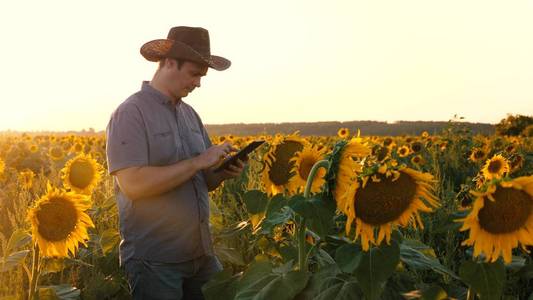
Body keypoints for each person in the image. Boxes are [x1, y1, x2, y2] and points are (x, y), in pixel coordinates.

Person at [105, 26, 245, 300]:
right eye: (194, 74)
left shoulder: (190, 115)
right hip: (155, 261)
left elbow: (202, 180)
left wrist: (222, 172)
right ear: (169, 62)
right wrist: (197, 162)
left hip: (201, 255)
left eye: (202, 77)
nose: (198, 84)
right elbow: (133, 185)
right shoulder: (130, 113)